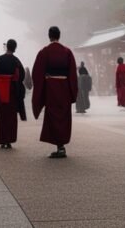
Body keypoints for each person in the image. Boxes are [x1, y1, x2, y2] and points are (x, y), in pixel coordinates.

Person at [32, 26, 78, 158]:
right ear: (59, 36)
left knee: (53, 117)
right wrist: (72, 92)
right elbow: (72, 74)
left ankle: (59, 147)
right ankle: (61, 146)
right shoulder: (67, 52)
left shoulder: (44, 52)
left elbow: (37, 73)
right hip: (64, 88)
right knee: (63, 117)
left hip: (51, 88)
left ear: (49, 36)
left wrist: (42, 87)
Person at [0, 39, 27, 149]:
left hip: (0, 91)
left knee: (2, 115)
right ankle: (9, 140)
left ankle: (2, 140)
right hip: (12, 91)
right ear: (15, 48)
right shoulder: (16, 61)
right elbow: (22, 76)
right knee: (11, 116)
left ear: (6, 47)